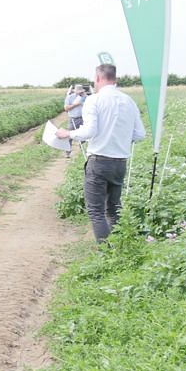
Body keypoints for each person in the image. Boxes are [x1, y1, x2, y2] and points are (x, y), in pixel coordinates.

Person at [55, 64, 146, 242]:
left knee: (96, 211)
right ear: (115, 79)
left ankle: (105, 253)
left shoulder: (94, 100)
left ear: (98, 78)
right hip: (120, 162)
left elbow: (89, 131)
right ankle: (120, 247)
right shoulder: (129, 101)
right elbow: (140, 134)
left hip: (99, 161)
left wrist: (68, 134)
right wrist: (119, 138)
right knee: (113, 208)